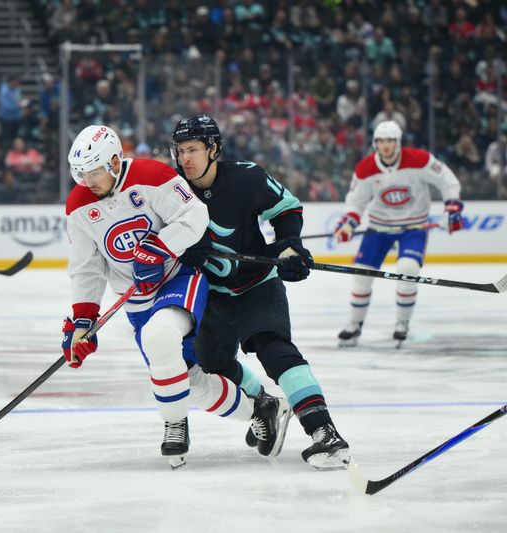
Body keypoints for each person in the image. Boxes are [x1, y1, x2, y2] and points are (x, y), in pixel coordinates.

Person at [63, 124, 285, 468]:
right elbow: (87, 267)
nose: (87, 182)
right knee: (188, 380)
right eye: (80, 175)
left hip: (177, 279)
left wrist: (159, 247)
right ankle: (261, 409)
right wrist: (82, 322)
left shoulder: (152, 176)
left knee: (159, 336)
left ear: (114, 163)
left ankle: (174, 424)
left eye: (93, 173)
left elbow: (195, 214)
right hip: (135, 299)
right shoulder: (79, 204)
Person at [171, 114, 350, 470]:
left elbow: (286, 209)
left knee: (274, 348)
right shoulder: (171, 189)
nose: (184, 158)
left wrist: (289, 247)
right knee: (214, 366)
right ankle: (265, 404)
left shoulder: (246, 177)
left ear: (213, 149)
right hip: (212, 293)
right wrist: (180, 247)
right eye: (179, 150)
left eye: (192, 149)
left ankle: (324, 433)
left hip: (256, 282)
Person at [334, 121, 463, 346]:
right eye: (381, 141)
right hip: (379, 228)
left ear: (398, 142)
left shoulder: (419, 160)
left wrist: (452, 206)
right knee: (361, 274)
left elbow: (447, 180)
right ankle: (355, 324)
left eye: (390, 141)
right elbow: (356, 202)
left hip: (413, 227)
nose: (385, 146)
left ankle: (402, 323)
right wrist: (348, 223)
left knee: (408, 270)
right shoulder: (365, 169)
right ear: (375, 143)